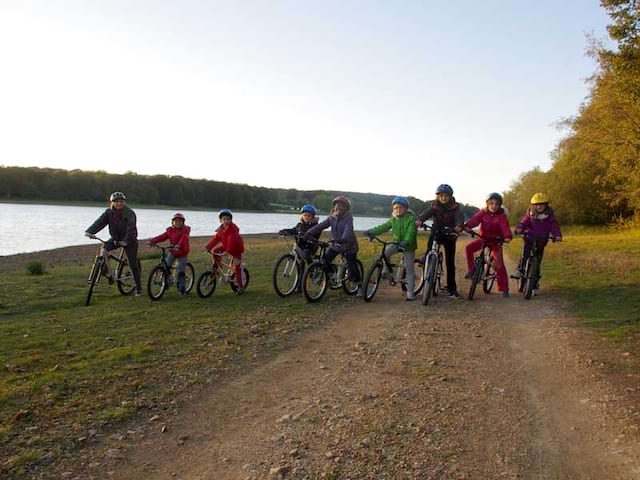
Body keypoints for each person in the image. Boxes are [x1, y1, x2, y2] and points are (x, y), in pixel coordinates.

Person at [85, 191, 142, 296]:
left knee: (133, 263)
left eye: (121, 201)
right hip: (115, 238)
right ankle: (106, 271)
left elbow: (131, 229)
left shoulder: (130, 213)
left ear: (124, 202)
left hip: (130, 241)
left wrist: (125, 241)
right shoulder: (109, 213)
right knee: (104, 250)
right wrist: (90, 231)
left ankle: (138, 287)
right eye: (116, 202)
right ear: (112, 203)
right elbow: (100, 222)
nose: (119, 204)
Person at [305, 195, 362, 296]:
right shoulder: (332, 217)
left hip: (349, 246)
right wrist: (309, 233)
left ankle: (359, 285)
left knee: (352, 264)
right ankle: (329, 277)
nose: (338, 207)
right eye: (336, 205)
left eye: (341, 206)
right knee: (325, 259)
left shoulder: (348, 219)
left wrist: (342, 239)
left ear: (346, 208)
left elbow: (348, 231)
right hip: (336, 244)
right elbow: (320, 226)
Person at [415, 184, 464, 298]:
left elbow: (459, 218)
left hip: (450, 234)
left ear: (450, 197)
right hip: (437, 231)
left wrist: (458, 226)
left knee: (450, 262)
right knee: (429, 248)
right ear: (437, 197)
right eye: (441, 196)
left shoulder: (455, 208)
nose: (443, 198)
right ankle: (426, 260)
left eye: (446, 196)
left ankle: (452, 288)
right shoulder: (435, 206)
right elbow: (426, 214)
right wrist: (419, 220)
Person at [365, 196, 418, 300]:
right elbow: (383, 227)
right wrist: (371, 231)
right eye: (396, 208)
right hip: (396, 243)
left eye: (401, 207)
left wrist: (406, 241)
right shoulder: (393, 219)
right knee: (385, 253)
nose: (398, 210)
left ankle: (410, 292)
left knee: (409, 268)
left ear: (406, 209)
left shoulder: (411, 219)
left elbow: (411, 232)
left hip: (408, 245)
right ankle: (386, 271)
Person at [463, 192, 512, 298]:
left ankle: (504, 288)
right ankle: (471, 271)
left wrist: (507, 236)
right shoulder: (482, 213)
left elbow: (505, 228)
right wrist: (467, 226)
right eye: (492, 203)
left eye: (496, 204)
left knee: (499, 263)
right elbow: (474, 220)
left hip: (496, 241)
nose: (494, 206)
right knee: (469, 248)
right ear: (487, 204)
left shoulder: (501, 216)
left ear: (499, 206)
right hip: (483, 239)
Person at [512, 193, 562, 295]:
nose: (539, 207)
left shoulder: (549, 216)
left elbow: (554, 226)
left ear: (546, 205)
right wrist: (519, 228)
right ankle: (520, 269)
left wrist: (557, 235)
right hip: (529, 238)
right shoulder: (530, 214)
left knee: (537, 262)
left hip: (541, 241)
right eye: (537, 205)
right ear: (533, 205)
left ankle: (534, 285)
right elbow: (524, 222)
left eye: (542, 205)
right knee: (525, 254)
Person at [148, 213, 191, 294]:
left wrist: (179, 245)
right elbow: (162, 237)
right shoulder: (170, 230)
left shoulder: (186, 230)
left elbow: (183, 238)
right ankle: (166, 283)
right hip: (173, 251)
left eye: (180, 221)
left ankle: (182, 287)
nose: (177, 223)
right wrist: (152, 241)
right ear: (172, 222)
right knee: (166, 266)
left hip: (182, 252)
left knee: (180, 270)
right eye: (176, 221)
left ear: (183, 222)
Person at [205, 209, 246, 294]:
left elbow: (232, 241)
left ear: (231, 220)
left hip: (236, 249)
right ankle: (218, 268)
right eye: (224, 219)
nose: (226, 221)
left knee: (237, 268)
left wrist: (227, 252)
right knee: (215, 250)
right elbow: (215, 239)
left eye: (228, 219)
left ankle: (241, 287)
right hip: (226, 246)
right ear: (220, 220)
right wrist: (208, 247)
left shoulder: (233, 230)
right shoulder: (221, 230)